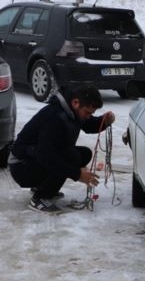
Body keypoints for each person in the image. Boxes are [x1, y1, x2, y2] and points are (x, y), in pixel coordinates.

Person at [9, 85, 114, 214]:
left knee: (83, 154)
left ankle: (42, 187)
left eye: (91, 114)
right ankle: (40, 198)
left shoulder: (72, 111)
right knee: (69, 157)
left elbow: (89, 124)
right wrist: (77, 174)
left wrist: (105, 121)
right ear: (76, 103)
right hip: (21, 166)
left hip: (34, 158)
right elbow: (46, 156)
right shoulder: (55, 117)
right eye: (87, 112)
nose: (88, 116)